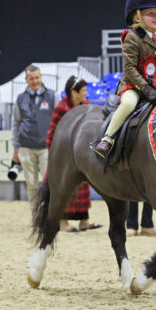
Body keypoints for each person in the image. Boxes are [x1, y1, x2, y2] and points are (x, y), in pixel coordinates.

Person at [92, 0, 156, 158]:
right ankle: (107, 139)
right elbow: (129, 68)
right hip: (134, 86)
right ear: (137, 16)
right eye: (150, 14)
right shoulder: (132, 37)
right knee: (129, 104)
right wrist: (146, 89)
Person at [47, 76, 102, 233]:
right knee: (64, 189)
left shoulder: (86, 106)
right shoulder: (62, 107)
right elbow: (52, 133)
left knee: (83, 189)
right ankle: (62, 221)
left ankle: (84, 221)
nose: (86, 93)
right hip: (63, 157)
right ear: (73, 92)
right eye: (83, 90)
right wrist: (53, 155)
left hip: (80, 154)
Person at [12, 65, 59, 211]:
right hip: (25, 147)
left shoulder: (52, 96)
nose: (35, 81)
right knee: (31, 184)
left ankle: (49, 214)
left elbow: (60, 121)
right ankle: (35, 214)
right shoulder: (20, 98)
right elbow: (15, 123)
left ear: (41, 77)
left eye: (37, 77)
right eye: (31, 78)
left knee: (49, 183)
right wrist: (16, 148)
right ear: (26, 80)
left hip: (46, 148)